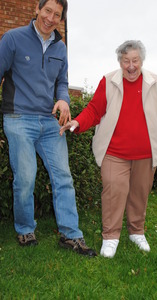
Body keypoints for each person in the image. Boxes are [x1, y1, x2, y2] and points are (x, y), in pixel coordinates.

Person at [60, 40, 157, 258]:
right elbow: (94, 110)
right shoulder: (109, 81)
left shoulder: (154, 82)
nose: (131, 65)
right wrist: (78, 122)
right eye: (126, 61)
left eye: (135, 60)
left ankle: (136, 231)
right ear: (120, 62)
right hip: (114, 152)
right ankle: (110, 237)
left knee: (139, 194)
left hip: (145, 154)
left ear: (141, 61)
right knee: (113, 192)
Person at [0, 0, 96, 257]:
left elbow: (61, 82)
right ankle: (24, 228)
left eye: (57, 14)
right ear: (37, 10)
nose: (51, 18)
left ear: (61, 18)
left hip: (49, 121)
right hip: (18, 118)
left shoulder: (60, 48)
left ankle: (71, 235)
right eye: (47, 11)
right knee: (26, 176)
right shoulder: (13, 39)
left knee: (63, 176)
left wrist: (63, 98)